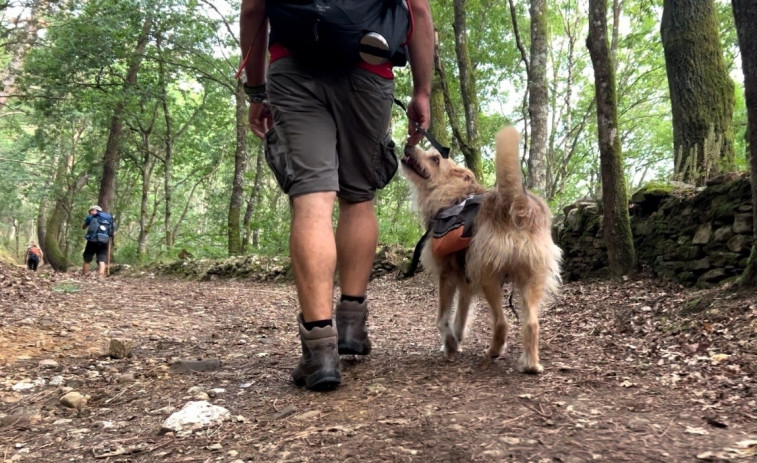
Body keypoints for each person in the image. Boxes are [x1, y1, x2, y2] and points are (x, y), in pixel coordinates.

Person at [239, 0, 434, 390]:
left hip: (294, 68)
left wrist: (257, 90)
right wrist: (422, 91)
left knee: (312, 200)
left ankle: (319, 353)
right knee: (358, 197)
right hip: (368, 64)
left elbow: (253, 9)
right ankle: (351, 328)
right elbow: (419, 11)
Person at [81, 205, 115, 277]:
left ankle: (85, 275)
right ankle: (100, 276)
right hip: (104, 241)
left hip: (92, 241)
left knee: (87, 259)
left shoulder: (91, 217)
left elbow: (83, 227)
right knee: (101, 260)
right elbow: (114, 232)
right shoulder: (109, 218)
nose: (90, 213)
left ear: (94, 210)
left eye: (91, 211)